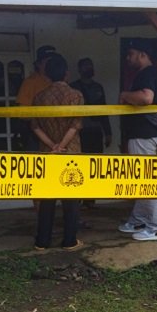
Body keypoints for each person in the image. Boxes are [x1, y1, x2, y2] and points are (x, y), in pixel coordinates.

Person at [32, 54, 84, 251]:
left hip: (48, 151)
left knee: (47, 197)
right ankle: (69, 241)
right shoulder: (76, 95)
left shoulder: (39, 97)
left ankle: (42, 241)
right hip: (70, 151)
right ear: (66, 73)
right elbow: (76, 124)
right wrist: (62, 145)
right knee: (71, 195)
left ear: (47, 74)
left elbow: (35, 126)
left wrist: (53, 145)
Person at [117, 39, 157, 241]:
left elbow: (146, 98)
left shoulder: (147, 73)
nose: (128, 58)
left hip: (144, 135)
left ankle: (156, 227)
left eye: (131, 54)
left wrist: (124, 95)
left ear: (143, 55)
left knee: (147, 181)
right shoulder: (154, 73)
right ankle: (138, 219)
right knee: (142, 179)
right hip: (150, 134)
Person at [70, 57, 111, 209]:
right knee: (80, 165)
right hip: (79, 132)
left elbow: (104, 110)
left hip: (95, 130)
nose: (89, 69)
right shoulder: (73, 87)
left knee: (95, 165)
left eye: (91, 66)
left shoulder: (98, 87)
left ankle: (90, 200)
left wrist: (108, 132)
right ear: (80, 69)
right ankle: (78, 199)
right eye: (86, 67)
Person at [16, 45, 57, 151]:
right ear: (39, 64)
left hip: (57, 133)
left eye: (53, 61)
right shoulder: (30, 82)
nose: (51, 64)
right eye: (47, 61)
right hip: (36, 135)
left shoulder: (57, 80)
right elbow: (22, 113)